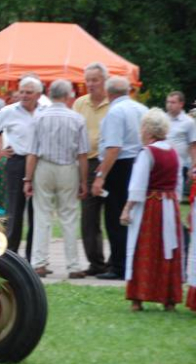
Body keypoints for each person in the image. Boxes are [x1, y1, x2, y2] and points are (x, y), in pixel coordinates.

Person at [119, 109, 183, 312]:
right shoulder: (173, 152)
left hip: (151, 206)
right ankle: (168, 299)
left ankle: (138, 298)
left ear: (147, 129)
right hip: (170, 205)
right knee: (168, 250)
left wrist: (127, 209)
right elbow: (178, 184)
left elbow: (137, 186)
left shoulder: (147, 153)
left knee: (144, 248)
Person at [24, 80, 89, 278]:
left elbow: (32, 152)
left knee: (42, 215)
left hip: (44, 166)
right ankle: (73, 265)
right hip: (68, 167)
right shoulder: (77, 119)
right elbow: (83, 154)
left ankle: (39, 262)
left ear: (50, 94)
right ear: (68, 95)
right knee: (69, 216)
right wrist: (83, 181)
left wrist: (27, 179)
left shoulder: (39, 117)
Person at [0, 76, 42, 258]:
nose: (24, 95)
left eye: (28, 92)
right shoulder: (9, 111)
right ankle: (10, 254)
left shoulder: (44, 111)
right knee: (14, 210)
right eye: (21, 91)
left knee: (36, 211)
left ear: (38, 94)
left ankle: (32, 256)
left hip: (39, 163)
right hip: (17, 161)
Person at [91, 76, 147, 280]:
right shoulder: (142, 109)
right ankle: (133, 262)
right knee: (133, 215)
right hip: (139, 162)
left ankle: (119, 265)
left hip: (120, 166)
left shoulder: (115, 112)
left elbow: (114, 148)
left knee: (115, 217)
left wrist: (100, 176)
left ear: (109, 93)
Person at [72, 62, 111, 276]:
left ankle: (116, 263)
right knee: (88, 218)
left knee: (113, 216)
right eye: (87, 80)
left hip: (110, 163)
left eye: (95, 80)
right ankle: (95, 263)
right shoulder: (79, 104)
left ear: (104, 81)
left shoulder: (113, 104)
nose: (90, 84)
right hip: (87, 162)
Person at [164, 91, 196, 189]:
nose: (169, 105)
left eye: (173, 102)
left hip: (178, 165)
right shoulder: (161, 119)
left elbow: (193, 146)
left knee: (174, 195)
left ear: (181, 104)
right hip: (160, 164)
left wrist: (193, 167)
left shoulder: (188, 122)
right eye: (168, 102)